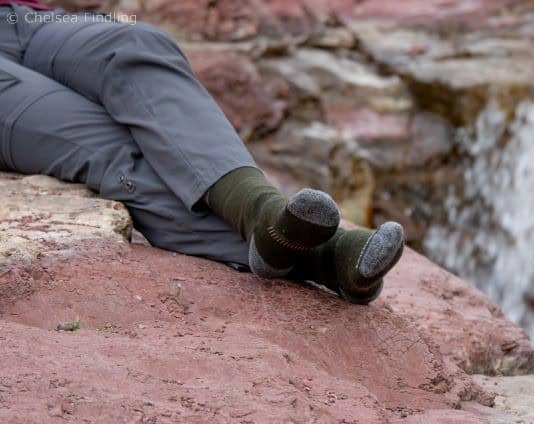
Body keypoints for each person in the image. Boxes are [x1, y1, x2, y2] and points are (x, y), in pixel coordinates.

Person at [0, 1, 405, 304]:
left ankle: (261, 211)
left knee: (137, 43)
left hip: (22, 18)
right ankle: (321, 255)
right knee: (104, 139)